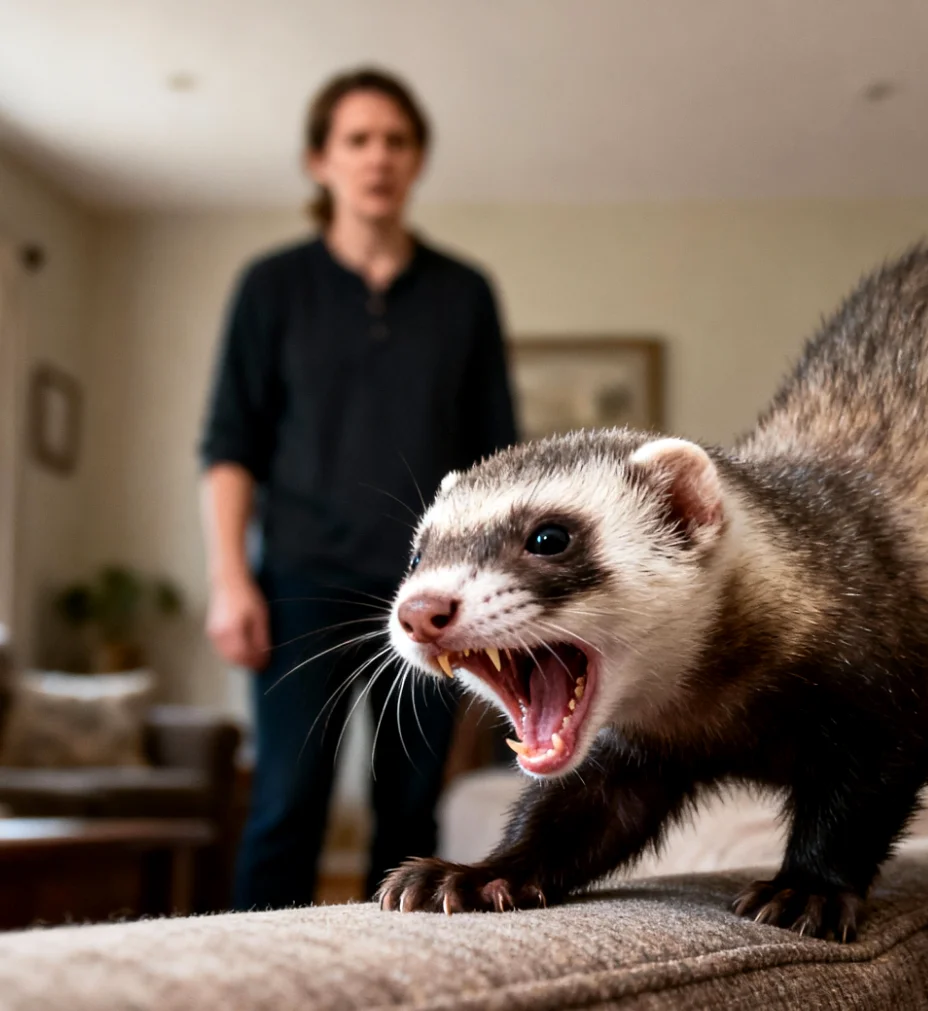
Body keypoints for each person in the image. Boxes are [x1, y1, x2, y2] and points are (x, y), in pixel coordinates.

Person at [198, 67, 517, 910]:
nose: (379, 157)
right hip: (298, 581)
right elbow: (230, 446)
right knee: (286, 804)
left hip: (430, 592)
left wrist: (496, 596)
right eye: (359, 140)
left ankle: (392, 983)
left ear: (416, 163)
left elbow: (497, 462)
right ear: (321, 161)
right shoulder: (272, 287)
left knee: (410, 811)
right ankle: (252, 988)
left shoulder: (465, 294)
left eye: (397, 141)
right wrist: (232, 579)